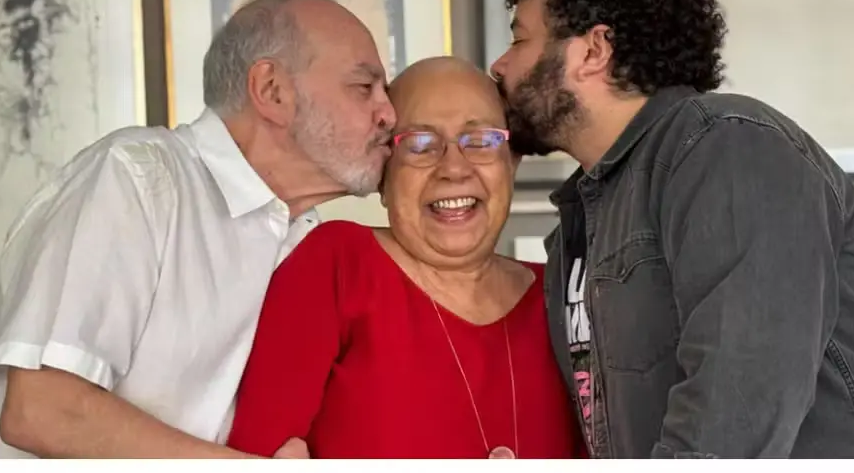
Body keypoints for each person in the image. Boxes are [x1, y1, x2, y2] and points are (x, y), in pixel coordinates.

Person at [491, 0, 854, 459]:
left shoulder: (728, 144)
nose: (500, 65)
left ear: (594, 50)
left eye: (520, 40)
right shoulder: (579, 226)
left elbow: (737, 409)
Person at [0, 0, 396, 459]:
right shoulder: (135, 180)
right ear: (272, 91)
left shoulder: (312, 243)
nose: (388, 114)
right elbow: (43, 410)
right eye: (363, 87)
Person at [224, 57, 584, 459]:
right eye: (419, 145)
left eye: (480, 141)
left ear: (511, 162)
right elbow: (255, 455)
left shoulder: (564, 295)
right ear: (383, 173)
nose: (453, 168)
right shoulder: (338, 267)